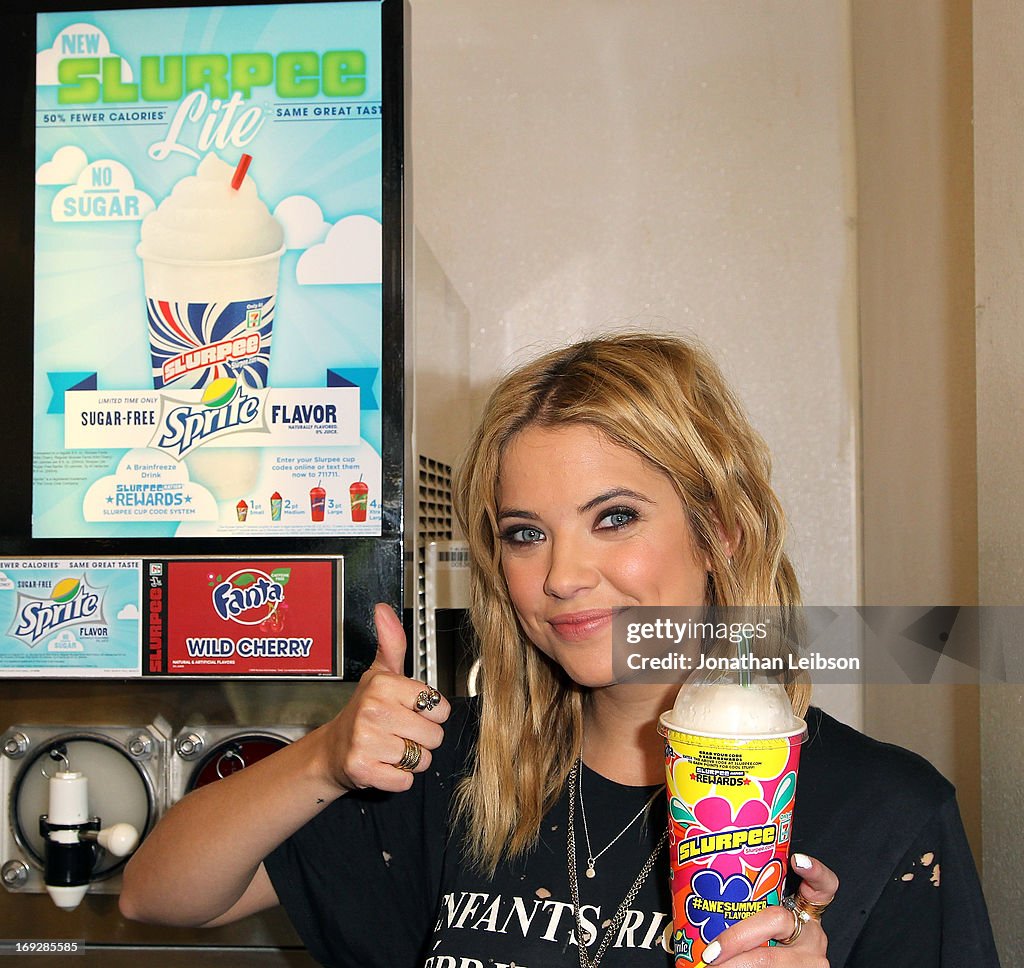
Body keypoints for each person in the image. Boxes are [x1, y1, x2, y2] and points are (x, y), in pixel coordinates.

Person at [120, 333, 999, 968]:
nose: (562, 576)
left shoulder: (888, 812)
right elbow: (157, 895)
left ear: (721, 531)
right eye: (525, 533)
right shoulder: (446, 763)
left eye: (613, 518)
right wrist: (324, 758)